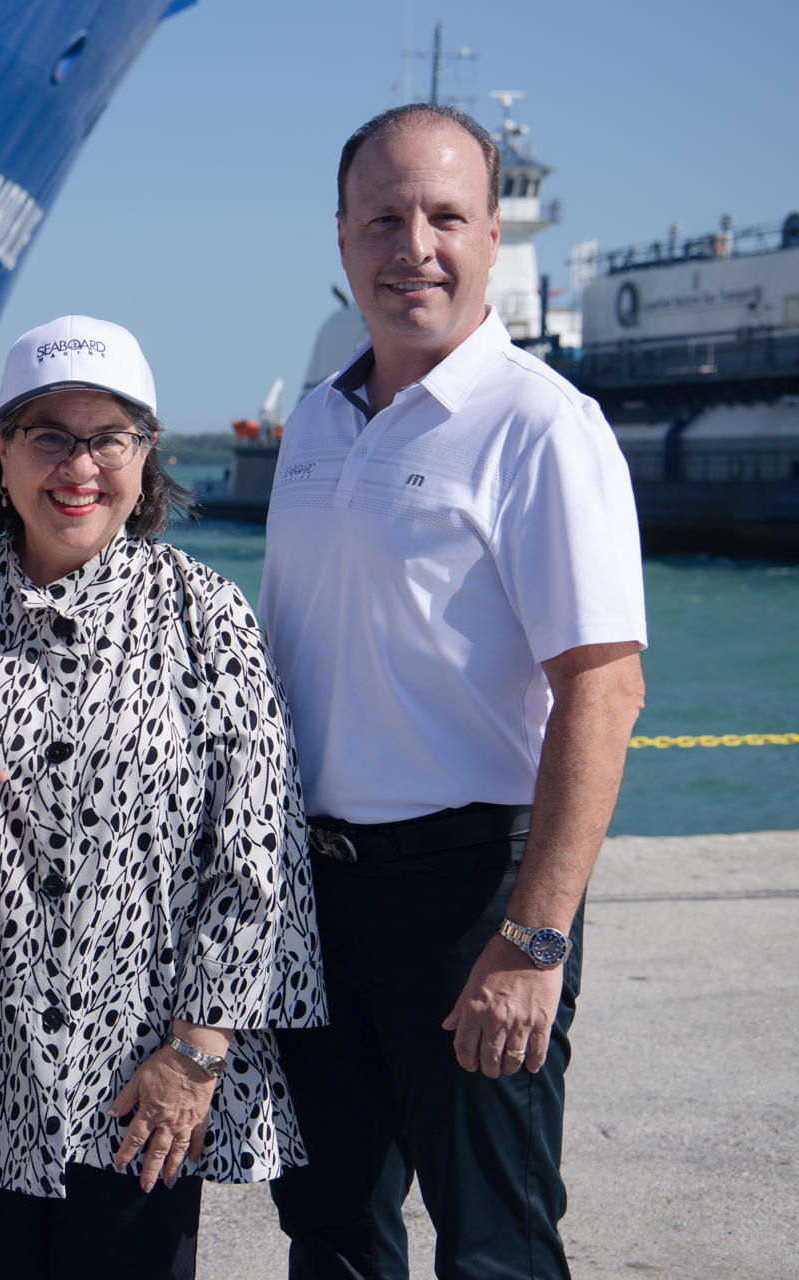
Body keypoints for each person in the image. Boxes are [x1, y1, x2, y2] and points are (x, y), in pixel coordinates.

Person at [0, 315, 327, 1280]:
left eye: (109, 437)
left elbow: (260, 857)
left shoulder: (206, 614)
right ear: (0, 455)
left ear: (146, 458)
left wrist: (198, 1057)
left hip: (146, 1070)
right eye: (48, 434)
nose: (78, 465)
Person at [261, 105, 648, 1279]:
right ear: (340, 239)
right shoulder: (316, 422)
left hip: (473, 896)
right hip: (313, 897)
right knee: (328, 1232)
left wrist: (534, 936)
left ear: (491, 232)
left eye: (444, 216)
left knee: (495, 1246)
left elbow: (604, 686)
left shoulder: (545, 428)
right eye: (384, 217)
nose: (412, 246)